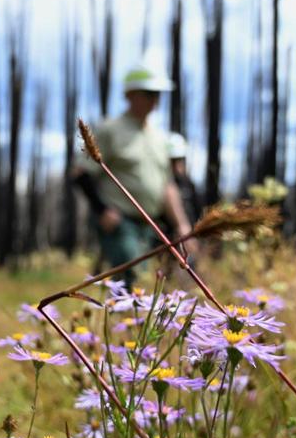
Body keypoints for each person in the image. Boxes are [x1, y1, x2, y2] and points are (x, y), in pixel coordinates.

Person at [74, 61, 194, 287]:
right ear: (130, 94)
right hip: (120, 220)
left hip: (152, 224)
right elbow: (81, 174)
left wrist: (182, 225)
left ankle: (132, 318)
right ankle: (121, 319)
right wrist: (102, 211)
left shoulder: (160, 138)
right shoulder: (110, 130)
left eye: (157, 94)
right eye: (148, 93)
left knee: (162, 280)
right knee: (131, 275)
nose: (154, 100)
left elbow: (167, 186)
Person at [166, 131, 201, 229]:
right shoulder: (161, 185)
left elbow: (197, 211)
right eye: (173, 161)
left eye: (180, 160)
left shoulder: (189, 185)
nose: (177, 166)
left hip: (190, 235)